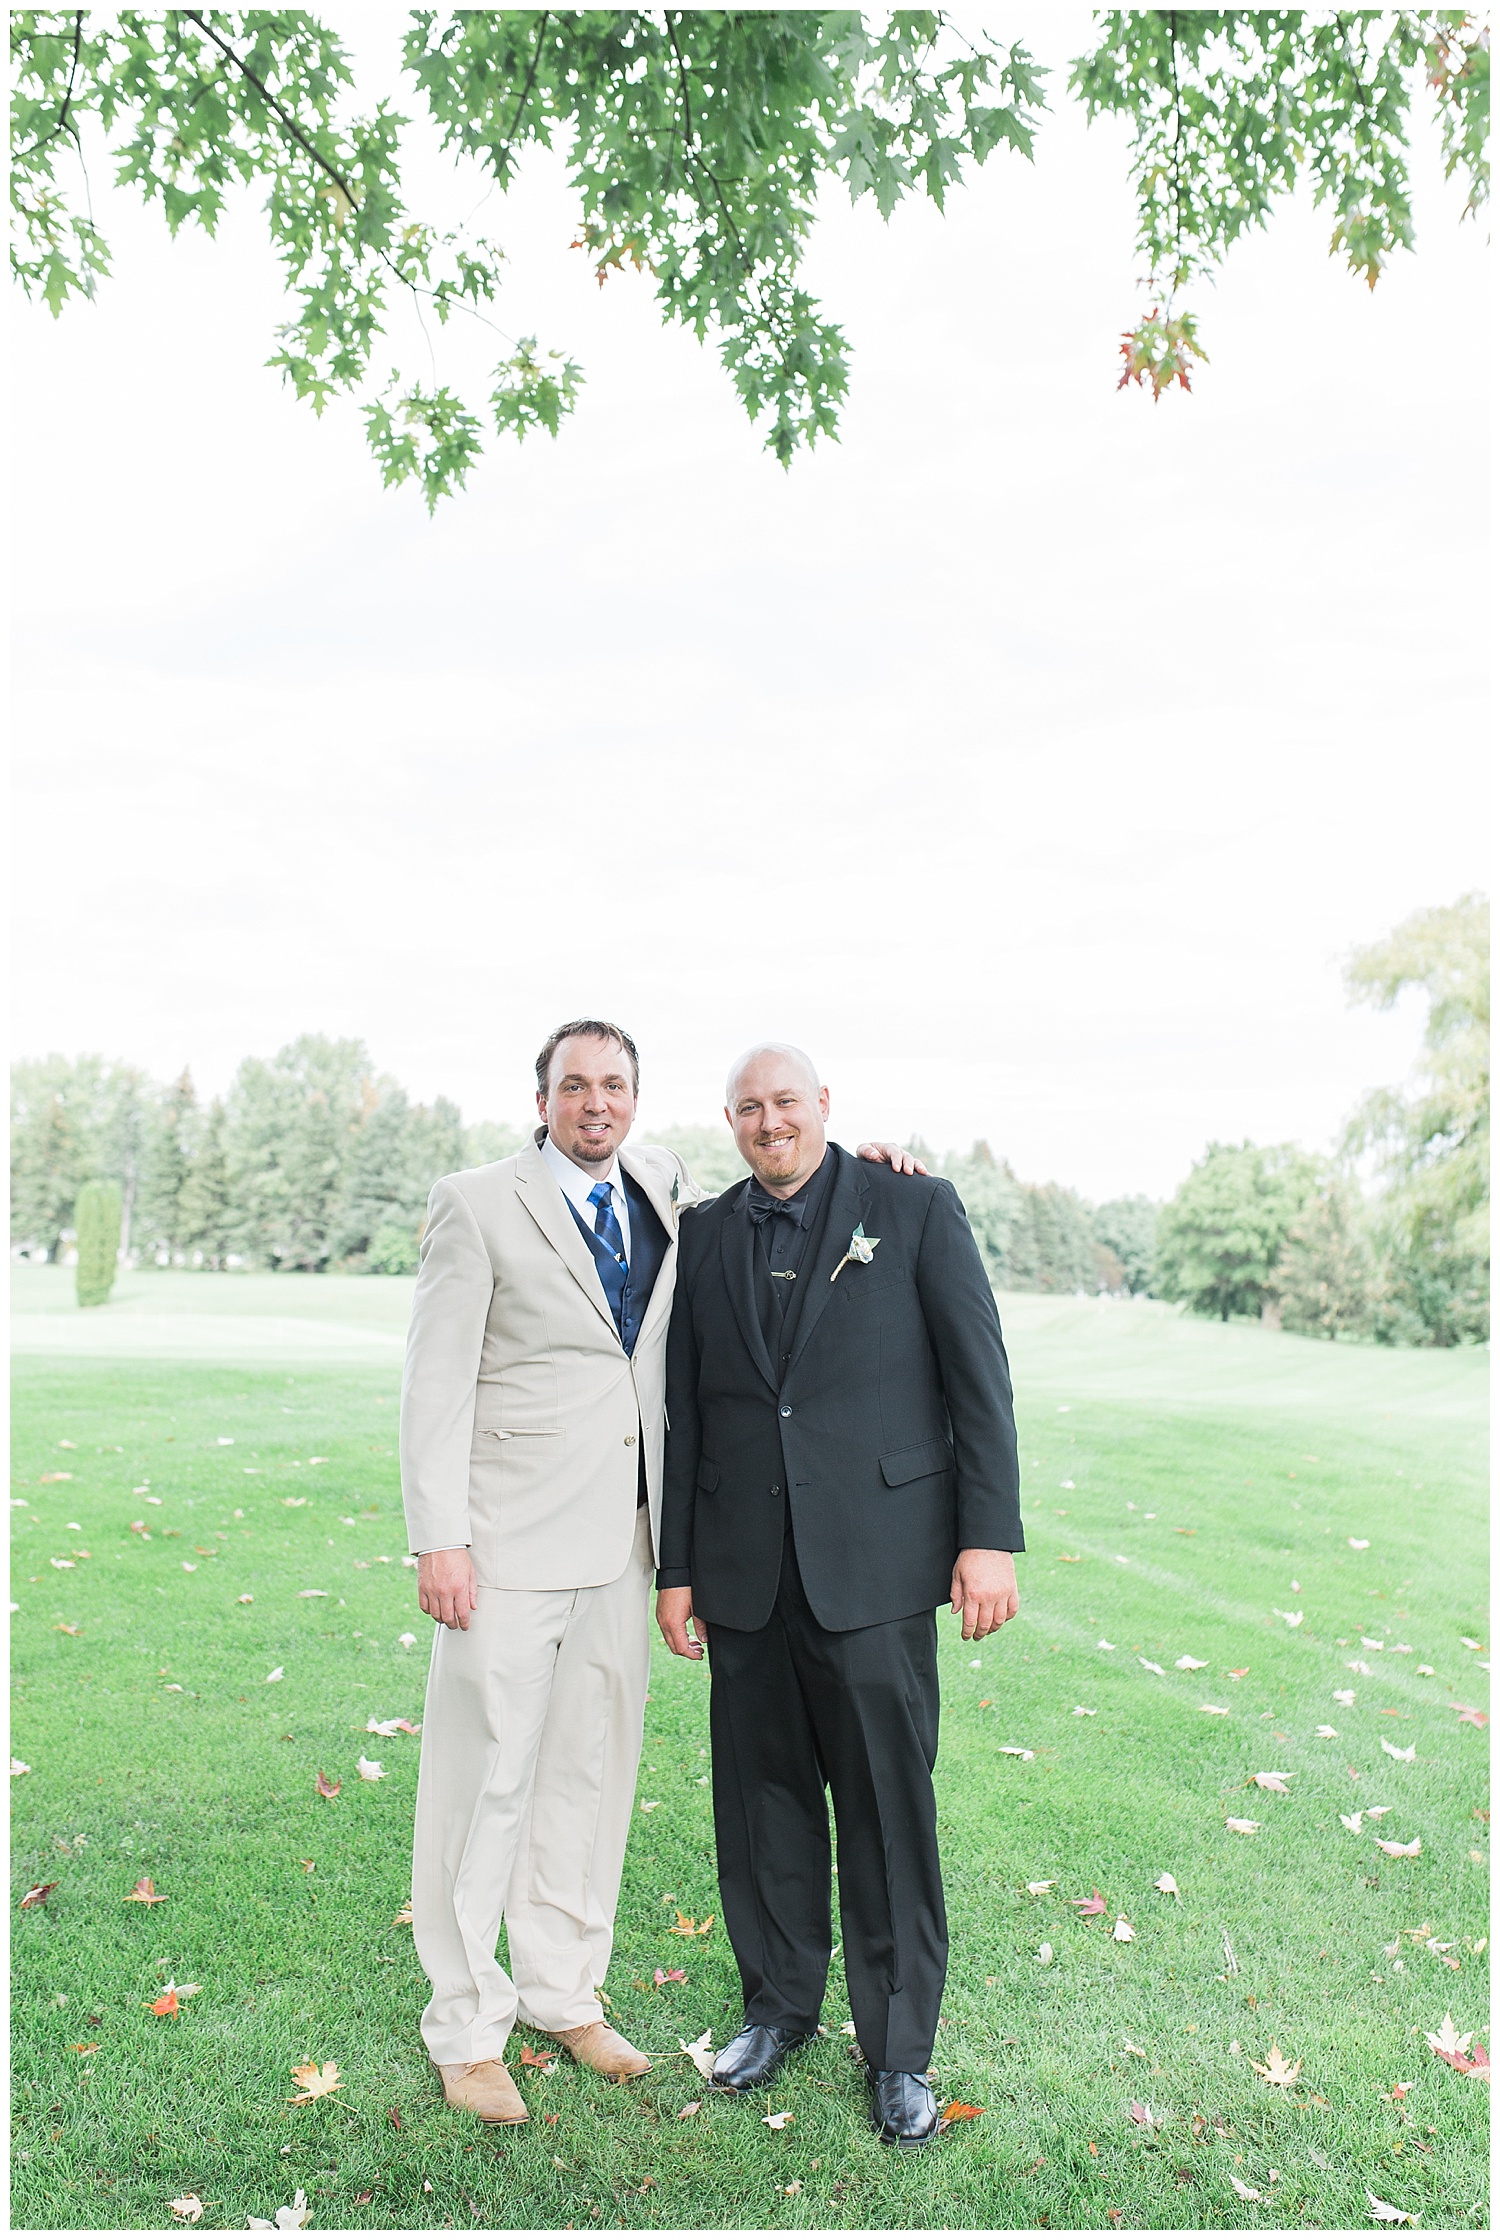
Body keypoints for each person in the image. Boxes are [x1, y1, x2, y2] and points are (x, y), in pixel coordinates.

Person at [400, 1018, 922, 2125]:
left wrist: (868, 1168)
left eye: (617, 1083)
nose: (598, 1101)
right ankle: (465, 2021)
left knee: (589, 1779)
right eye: (575, 1084)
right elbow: (434, 1381)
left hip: (622, 1546)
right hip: (501, 1545)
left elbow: (787, 1189)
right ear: (538, 1096)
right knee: (483, 1779)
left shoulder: (662, 1184)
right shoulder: (476, 1200)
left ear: (639, 1098)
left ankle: (562, 1990)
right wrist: (436, 1537)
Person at [656, 1043, 1023, 2146]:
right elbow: (686, 1408)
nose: (771, 1122)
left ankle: (901, 2046)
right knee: (761, 1802)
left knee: (886, 1811)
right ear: (730, 1120)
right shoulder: (707, 1234)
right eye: (751, 1108)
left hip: (878, 1567)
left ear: (826, 1107)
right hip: (746, 1573)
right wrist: (678, 1566)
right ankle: (778, 2006)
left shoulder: (911, 1206)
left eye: (788, 1103)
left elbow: (979, 1378)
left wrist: (989, 1539)